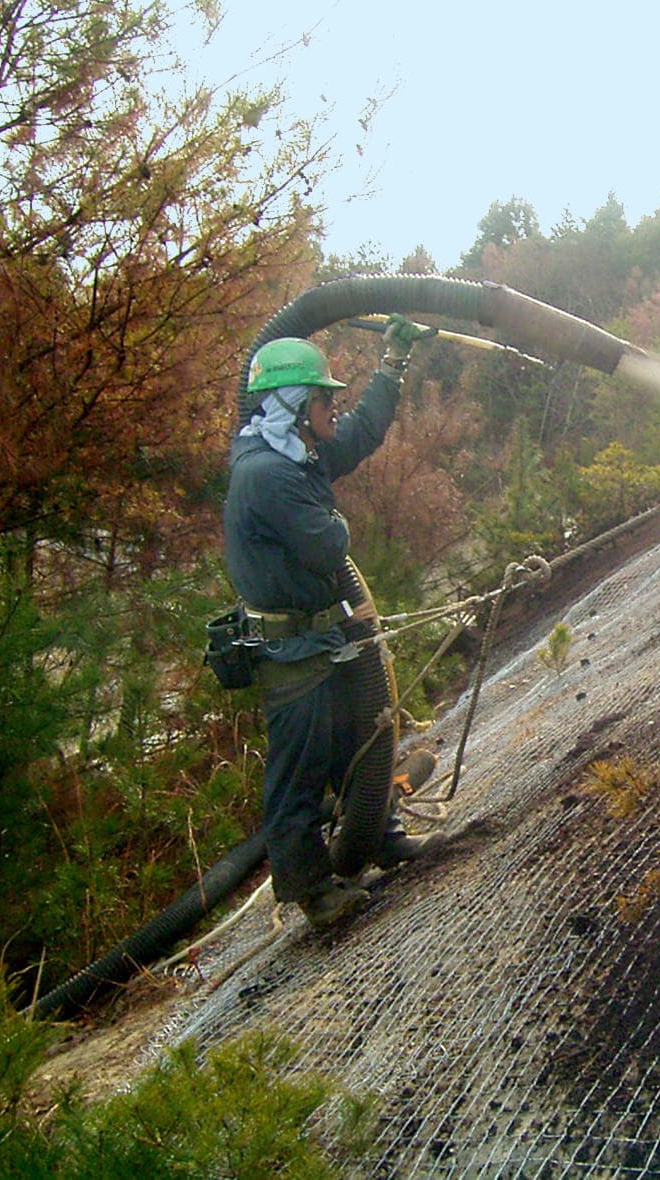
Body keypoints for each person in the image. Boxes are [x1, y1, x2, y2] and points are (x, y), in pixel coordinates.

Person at [223, 320, 429, 927]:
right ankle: (312, 891)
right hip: (290, 650)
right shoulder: (269, 474)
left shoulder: (294, 453)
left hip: (321, 634)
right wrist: (336, 523)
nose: (333, 408)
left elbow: (361, 433)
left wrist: (394, 363)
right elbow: (327, 542)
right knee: (300, 770)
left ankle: (377, 835)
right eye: (323, 398)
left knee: (358, 737)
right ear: (292, 405)